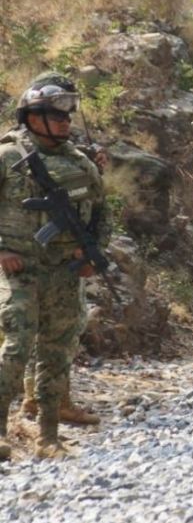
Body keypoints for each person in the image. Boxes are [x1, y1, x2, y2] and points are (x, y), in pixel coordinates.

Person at [0, 79, 111, 459]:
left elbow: (101, 212)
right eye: (55, 116)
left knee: (57, 351)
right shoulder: (8, 156)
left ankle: (48, 436)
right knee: (16, 347)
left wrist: (92, 253)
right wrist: (2, 251)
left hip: (64, 271)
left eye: (67, 116)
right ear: (32, 118)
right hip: (19, 270)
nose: (65, 122)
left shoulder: (80, 161)